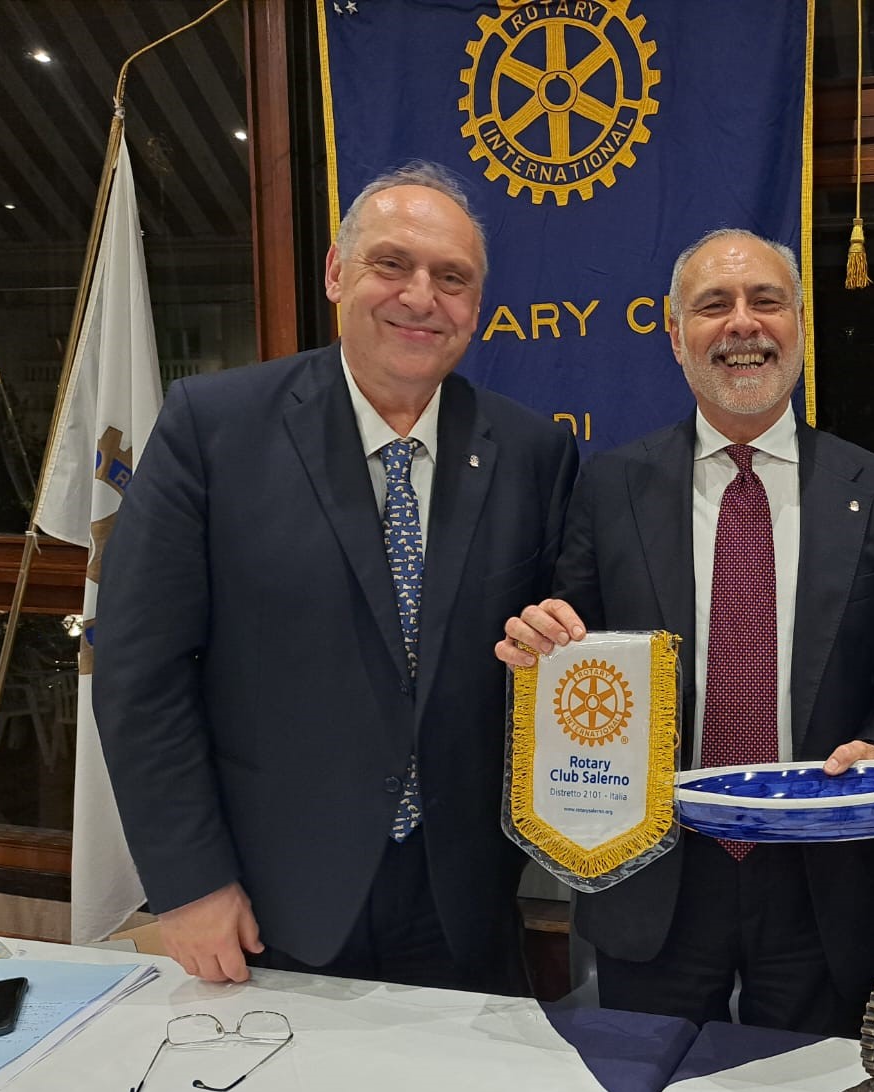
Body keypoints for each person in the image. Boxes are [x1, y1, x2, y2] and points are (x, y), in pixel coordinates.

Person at [94, 162, 578, 992]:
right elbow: (142, 671)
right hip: (270, 899)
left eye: (452, 278)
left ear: (476, 304)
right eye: (392, 264)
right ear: (335, 272)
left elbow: (559, 651)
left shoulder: (534, 452)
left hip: (466, 902)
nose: (421, 297)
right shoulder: (213, 429)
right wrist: (190, 881)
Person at [497, 229, 874, 1035]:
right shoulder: (610, 487)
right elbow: (575, 645)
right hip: (655, 869)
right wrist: (542, 645)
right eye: (714, 305)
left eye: (766, 301)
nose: (743, 323)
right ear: (676, 337)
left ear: (799, 325)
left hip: (821, 874)